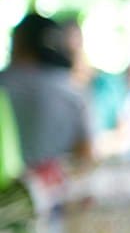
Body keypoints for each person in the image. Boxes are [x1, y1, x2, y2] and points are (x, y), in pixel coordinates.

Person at [0, 12, 92, 168]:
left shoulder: (4, 83)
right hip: (56, 187)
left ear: (19, 42)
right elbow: (86, 153)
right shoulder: (72, 89)